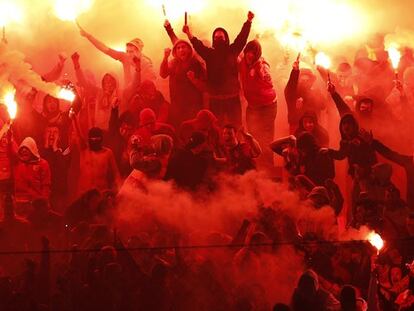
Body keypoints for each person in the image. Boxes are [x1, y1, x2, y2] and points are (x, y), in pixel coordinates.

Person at [182, 11, 255, 127]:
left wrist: (248, 22)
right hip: (216, 100)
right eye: (216, 37)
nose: (218, 39)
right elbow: (198, 45)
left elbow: (242, 38)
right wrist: (188, 33)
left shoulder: (233, 50)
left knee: (236, 127)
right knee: (216, 128)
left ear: (226, 38)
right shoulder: (209, 54)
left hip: (232, 98)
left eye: (221, 37)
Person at [77, 23, 155, 85]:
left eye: (131, 52)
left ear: (139, 51)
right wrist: (88, 36)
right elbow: (104, 49)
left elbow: (152, 85)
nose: (128, 54)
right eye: (127, 51)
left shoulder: (146, 64)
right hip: (128, 96)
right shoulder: (125, 57)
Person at [239, 39, 277, 169]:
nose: (250, 55)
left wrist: (260, 72)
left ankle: (268, 167)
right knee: (253, 135)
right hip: (253, 106)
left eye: (254, 53)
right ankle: (256, 166)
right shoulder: (242, 62)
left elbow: (268, 80)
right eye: (248, 52)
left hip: (268, 106)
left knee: (266, 137)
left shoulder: (262, 65)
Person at [160, 39, 206, 128]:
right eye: (178, 48)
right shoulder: (173, 63)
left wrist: (194, 80)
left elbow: (204, 87)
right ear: (175, 51)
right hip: (177, 106)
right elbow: (163, 74)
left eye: (183, 47)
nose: (181, 50)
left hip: (193, 107)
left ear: (189, 49)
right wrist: (165, 58)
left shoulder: (196, 63)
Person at [73, 125, 121, 196]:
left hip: (100, 194)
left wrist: (120, 189)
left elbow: (116, 173)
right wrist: (73, 116)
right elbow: (78, 135)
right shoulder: (84, 150)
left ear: (101, 139)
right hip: (84, 194)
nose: (94, 140)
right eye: (92, 138)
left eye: (97, 138)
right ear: (89, 139)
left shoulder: (107, 153)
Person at [285, 58, 326, 133]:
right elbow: (290, 87)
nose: (305, 83)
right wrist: (295, 71)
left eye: (307, 81)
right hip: (297, 129)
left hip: (314, 128)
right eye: (303, 80)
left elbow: (323, 105)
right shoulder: (293, 93)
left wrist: (316, 97)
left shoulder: (315, 91)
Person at [14, 137, 51, 212]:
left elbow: (46, 185)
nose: (24, 151)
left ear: (32, 150)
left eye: (27, 149)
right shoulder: (18, 165)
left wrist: (44, 204)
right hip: (20, 205)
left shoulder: (43, 164)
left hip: (36, 205)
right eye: (22, 149)